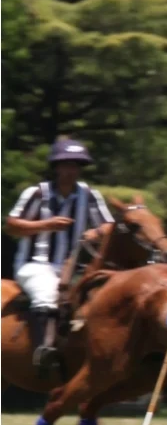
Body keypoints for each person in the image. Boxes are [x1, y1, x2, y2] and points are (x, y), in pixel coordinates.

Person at [5, 137, 114, 371]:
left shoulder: (90, 195)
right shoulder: (37, 193)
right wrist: (46, 225)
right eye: (66, 164)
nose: (71, 170)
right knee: (47, 295)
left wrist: (95, 233)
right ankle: (45, 351)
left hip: (75, 266)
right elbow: (11, 225)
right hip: (35, 263)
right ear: (56, 167)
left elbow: (109, 225)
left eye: (76, 165)